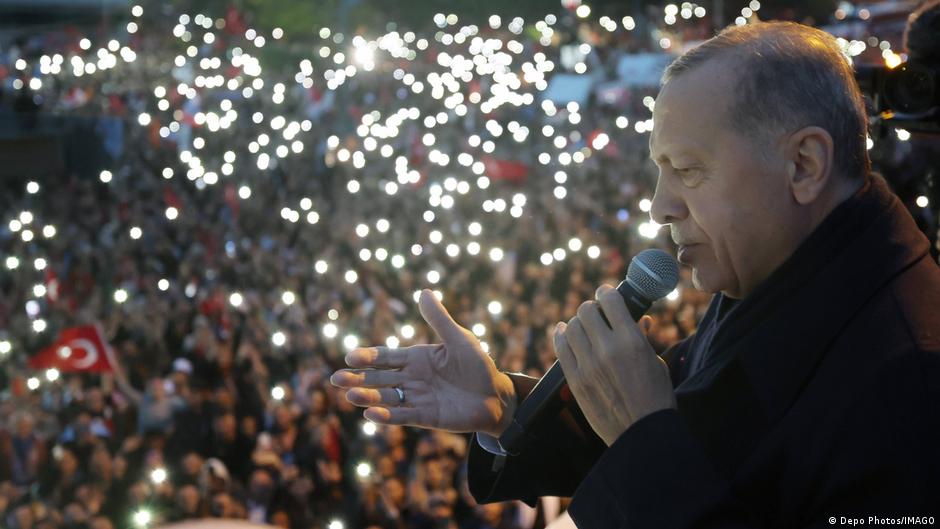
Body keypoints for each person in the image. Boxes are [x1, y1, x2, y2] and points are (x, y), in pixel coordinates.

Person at [332, 20, 940, 527]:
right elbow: (698, 427)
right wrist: (510, 408)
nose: (659, 205)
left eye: (688, 170)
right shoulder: (782, 266)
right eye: (659, 169)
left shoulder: (912, 379)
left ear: (804, 164)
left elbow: (669, 444)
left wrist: (645, 436)